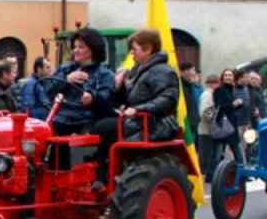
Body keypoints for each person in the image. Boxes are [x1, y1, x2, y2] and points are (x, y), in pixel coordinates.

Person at [92, 29, 179, 188]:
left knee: (102, 127)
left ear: (148, 48)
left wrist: (138, 109)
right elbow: (128, 99)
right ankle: (99, 173)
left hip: (155, 123)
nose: (132, 54)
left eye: (134, 49)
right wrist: (119, 87)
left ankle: (102, 176)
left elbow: (168, 100)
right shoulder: (139, 70)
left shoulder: (162, 71)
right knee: (97, 124)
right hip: (138, 121)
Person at [49, 27, 115, 135]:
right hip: (61, 119)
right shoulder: (64, 70)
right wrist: (67, 80)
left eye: (81, 47)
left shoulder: (105, 74)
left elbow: (106, 99)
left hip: (87, 120)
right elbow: (48, 89)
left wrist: (92, 98)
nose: (75, 50)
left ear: (93, 50)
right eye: (74, 47)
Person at [208, 68, 245, 181]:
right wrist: (233, 104)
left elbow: (232, 107)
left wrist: (239, 104)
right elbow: (220, 106)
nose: (228, 77)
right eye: (226, 75)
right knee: (218, 151)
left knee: (237, 149)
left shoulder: (232, 90)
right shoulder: (219, 90)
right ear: (222, 78)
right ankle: (211, 175)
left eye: (230, 75)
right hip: (222, 123)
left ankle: (242, 173)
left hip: (231, 123)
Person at [198, 74, 219, 176]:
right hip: (206, 129)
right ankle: (203, 175)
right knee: (205, 154)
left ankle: (210, 174)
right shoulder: (207, 95)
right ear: (210, 84)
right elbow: (204, 111)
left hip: (212, 129)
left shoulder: (213, 94)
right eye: (215, 83)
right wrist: (215, 118)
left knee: (212, 154)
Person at [179, 62, 201, 141]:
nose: (195, 73)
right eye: (193, 70)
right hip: (186, 126)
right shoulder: (180, 86)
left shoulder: (190, 85)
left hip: (193, 124)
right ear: (185, 71)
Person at [233, 69, 252, 154]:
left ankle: (242, 163)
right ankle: (231, 165)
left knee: (243, 146)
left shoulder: (246, 89)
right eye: (246, 77)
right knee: (233, 147)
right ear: (239, 78)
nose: (248, 79)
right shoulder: (232, 89)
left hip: (245, 122)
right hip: (236, 123)